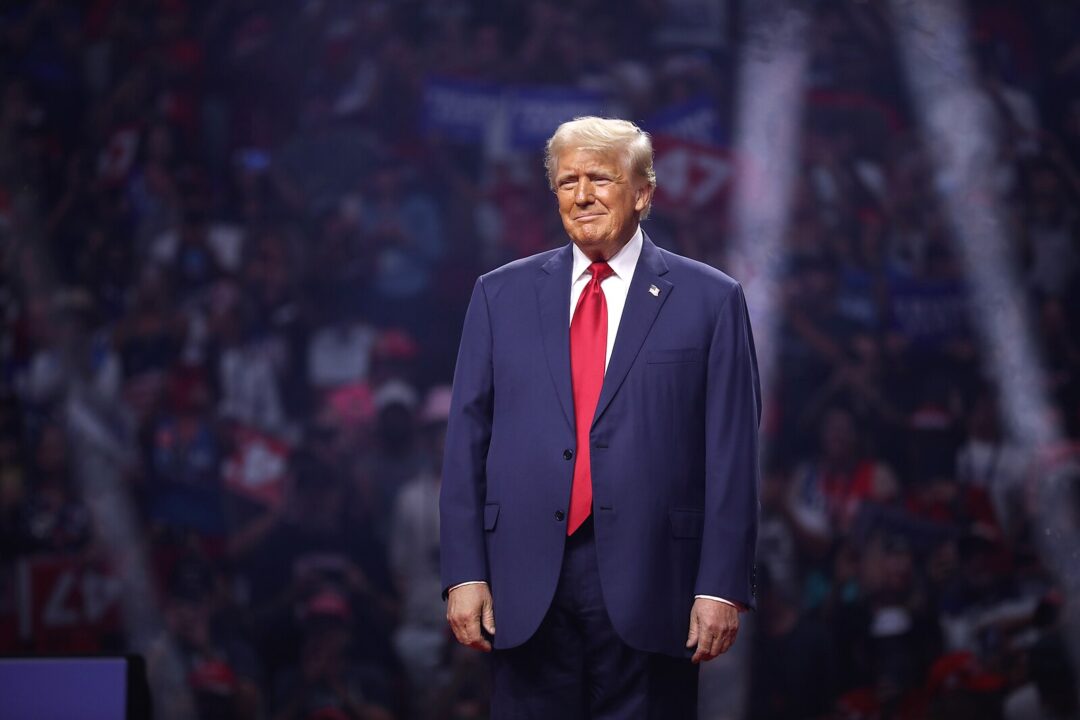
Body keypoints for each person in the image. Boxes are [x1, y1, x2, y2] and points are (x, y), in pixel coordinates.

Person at [440, 116, 761, 718]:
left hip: (655, 579)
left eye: (600, 179)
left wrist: (720, 585)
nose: (582, 195)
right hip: (524, 577)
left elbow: (732, 454)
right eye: (567, 182)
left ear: (643, 193)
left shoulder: (712, 300)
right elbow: (465, 444)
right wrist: (463, 573)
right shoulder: (498, 295)